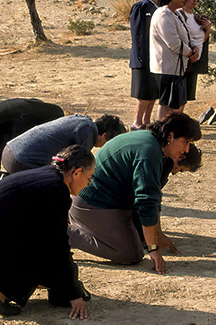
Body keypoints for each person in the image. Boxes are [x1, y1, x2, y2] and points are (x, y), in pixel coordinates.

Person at [0, 144, 96, 320]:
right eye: (89, 178)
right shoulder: (57, 190)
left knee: (47, 256)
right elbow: (56, 247)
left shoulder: (47, 176)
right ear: (76, 173)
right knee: (48, 259)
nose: (88, 184)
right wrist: (74, 293)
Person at [67, 113, 202, 272]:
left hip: (108, 201)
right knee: (130, 254)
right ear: (170, 136)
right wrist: (153, 248)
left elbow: (152, 199)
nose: (186, 149)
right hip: (93, 202)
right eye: (185, 142)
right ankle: (63, 232)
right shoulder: (149, 151)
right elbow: (146, 202)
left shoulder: (152, 143)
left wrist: (157, 235)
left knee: (140, 240)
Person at [0, 112, 126, 175]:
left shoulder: (81, 120)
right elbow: (76, 171)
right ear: (105, 135)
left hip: (9, 150)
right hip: (21, 161)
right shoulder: (87, 132)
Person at [150, 0, 195, 119]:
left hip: (177, 68)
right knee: (166, 104)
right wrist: (190, 53)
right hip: (167, 68)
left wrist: (194, 48)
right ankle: (162, 134)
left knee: (176, 104)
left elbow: (187, 35)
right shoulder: (163, 15)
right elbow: (174, 43)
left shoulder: (176, 14)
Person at [128, 0, 162, 128]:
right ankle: (137, 122)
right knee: (144, 96)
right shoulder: (141, 7)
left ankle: (146, 122)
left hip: (155, 60)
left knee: (153, 94)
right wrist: (142, 57)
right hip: (143, 59)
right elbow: (139, 35)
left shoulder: (157, 9)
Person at [181, 0, 211, 104]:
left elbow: (200, 41)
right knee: (179, 96)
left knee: (186, 97)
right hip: (184, 59)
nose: (195, 0)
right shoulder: (180, 15)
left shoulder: (196, 18)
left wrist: (207, 30)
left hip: (194, 62)